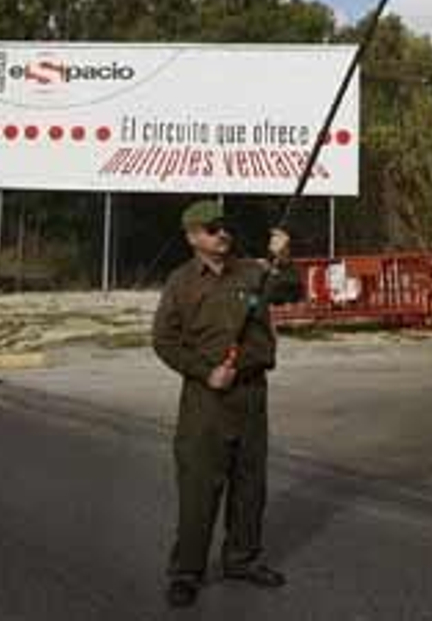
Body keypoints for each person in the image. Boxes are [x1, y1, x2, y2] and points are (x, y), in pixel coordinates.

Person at [151, 200, 302, 609]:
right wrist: (204, 371)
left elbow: (291, 292)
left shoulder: (253, 270)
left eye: (225, 227)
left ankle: (241, 559)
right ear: (192, 237)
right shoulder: (181, 282)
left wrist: (284, 259)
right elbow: (164, 341)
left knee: (250, 485)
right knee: (200, 487)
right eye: (212, 228)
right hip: (207, 398)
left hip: (252, 394)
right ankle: (186, 572)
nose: (223, 234)